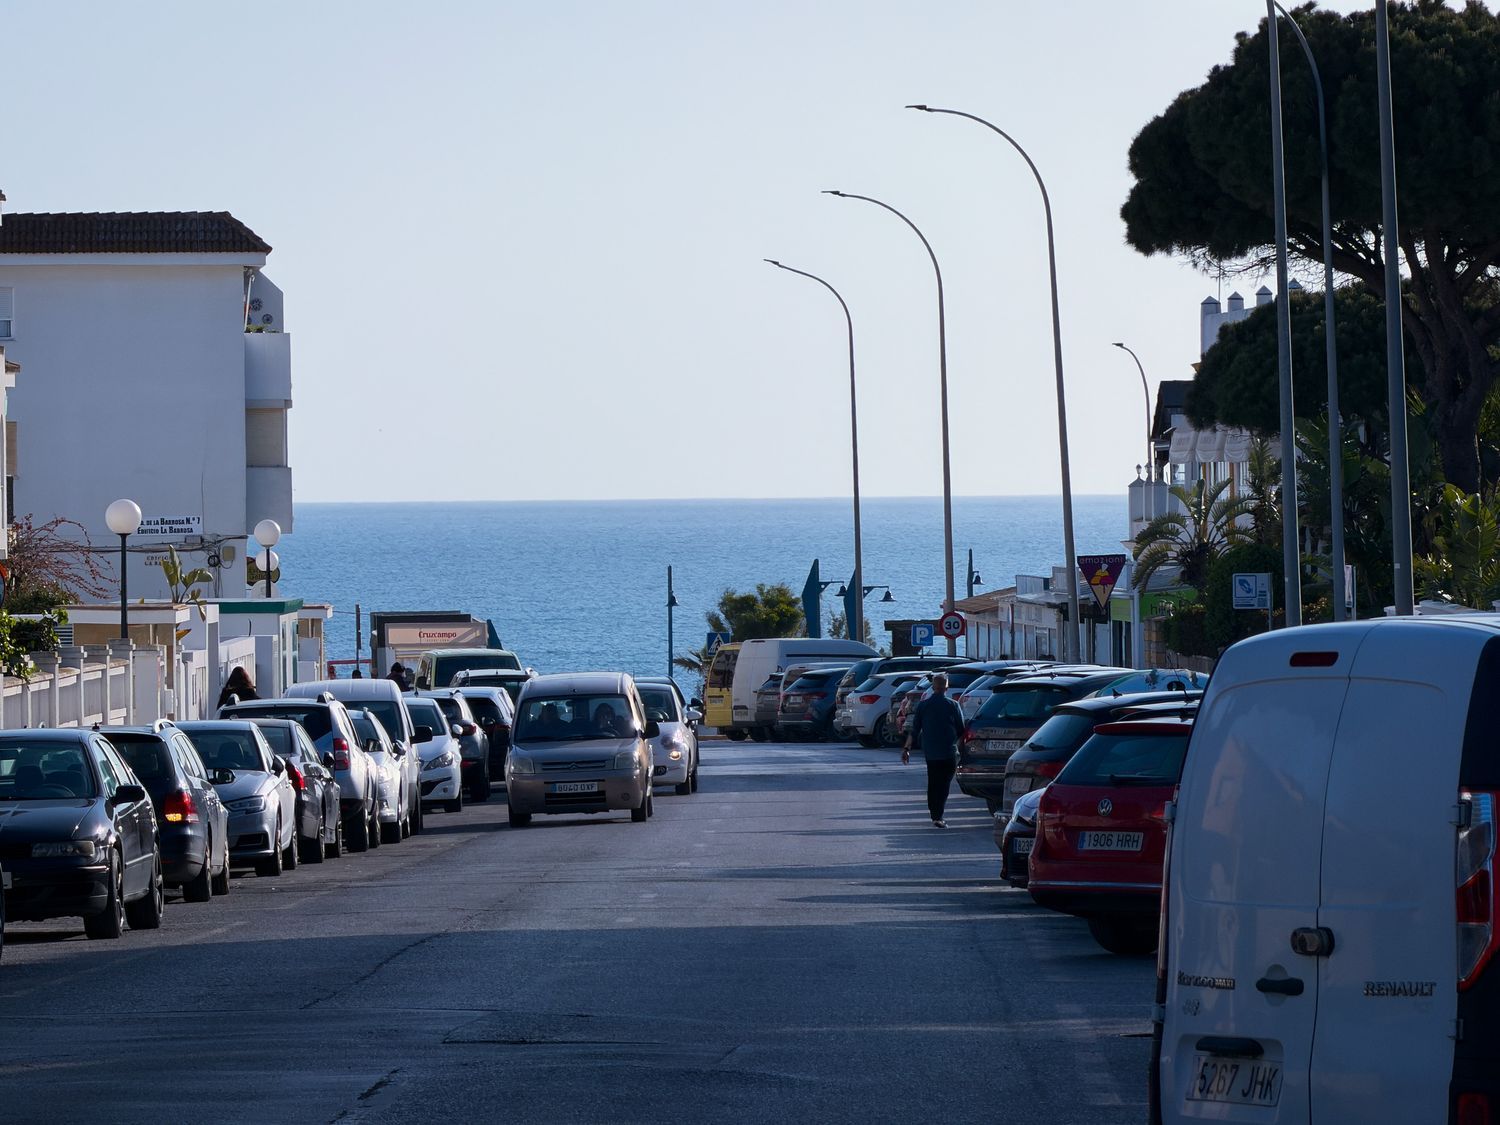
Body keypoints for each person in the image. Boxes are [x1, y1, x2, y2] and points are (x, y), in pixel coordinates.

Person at [902, 673, 965, 828]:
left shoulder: (923, 705)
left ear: (933, 687)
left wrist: (906, 748)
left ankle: (935, 814)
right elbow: (961, 728)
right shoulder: (953, 705)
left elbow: (915, 729)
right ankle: (938, 815)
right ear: (947, 687)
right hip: (949, 751)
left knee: (933, 782)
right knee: (944, 784)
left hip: (931, 752)